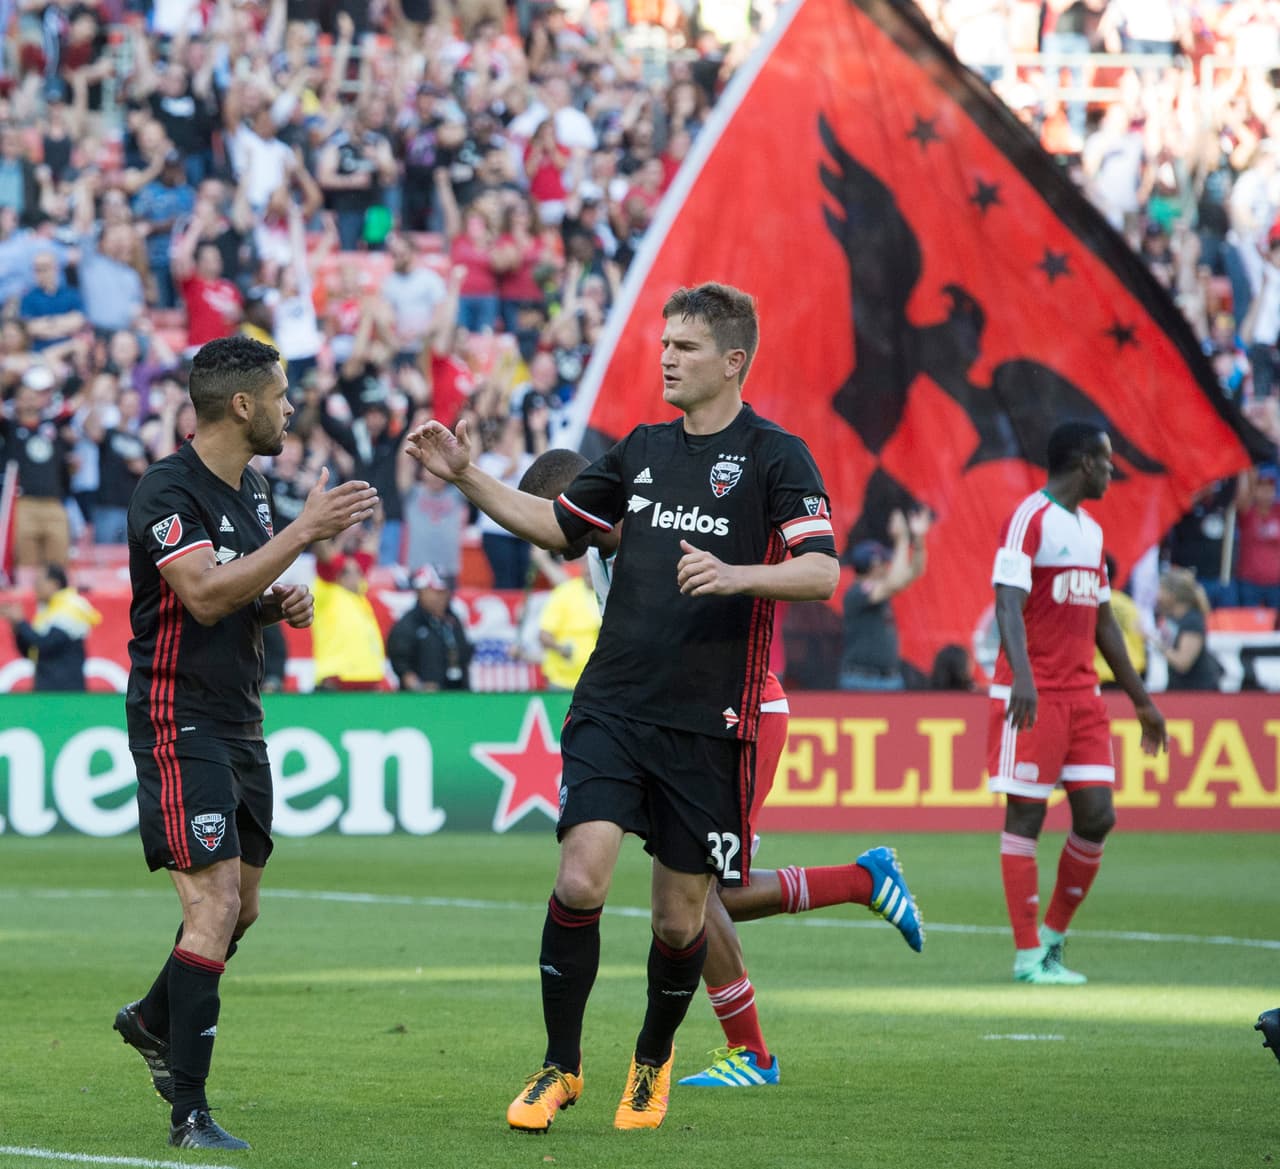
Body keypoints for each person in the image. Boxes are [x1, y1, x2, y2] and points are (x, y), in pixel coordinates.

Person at [409, 282, 865, 1133]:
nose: (666, 357)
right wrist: (468, 475)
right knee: (579, 874)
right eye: (664, 344)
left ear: (732, 361)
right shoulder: (642, 450)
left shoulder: (776, 456)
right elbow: (556, 524)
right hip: (613, 703)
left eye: (685, 347)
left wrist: (738, 575)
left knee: (679, 913)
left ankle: (651, 1060)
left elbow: (822, 570)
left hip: (709, 720)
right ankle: (559, 1065)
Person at [517, 448, 924, 1091]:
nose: (557, 545)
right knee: (692, 892)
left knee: (699, 892)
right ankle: (855, 893)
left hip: (740, 714)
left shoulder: (673, 529)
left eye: (563, 524)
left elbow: (780, 582)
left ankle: (765, 1037)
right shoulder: (601, 552)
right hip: (669, 724)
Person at [112, 335, 377, 1151]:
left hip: (240, 718)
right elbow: (197, 593)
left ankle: (156, 1017)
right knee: (214, 902)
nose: (290, 407)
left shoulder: (253, 488)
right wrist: (299, 536)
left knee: (243, 907)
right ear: (241, 404)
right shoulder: (167, 488)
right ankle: (188, 1111)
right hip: (175, 715)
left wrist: (274, 603)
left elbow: (235, 589)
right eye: (282, 394)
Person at [989, 420, 1167, 986]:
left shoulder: (1090, 532)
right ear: (1085, 463)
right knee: (1027, 815)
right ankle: (1026, 956)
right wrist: (1021, 676)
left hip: (1083, 696)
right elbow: (1007, 603)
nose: (1113, 472)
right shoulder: (1029, 519)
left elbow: (1102, 622)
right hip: (1032, 694)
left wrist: (1141, 701)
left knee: (1098, 815)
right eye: (1109, 462)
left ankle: (1052, 940)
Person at [838, 507, 930, 690]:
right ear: (874, 565)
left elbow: (914, 572)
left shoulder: (879, 590)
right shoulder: (857, 593)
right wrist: (902, 539)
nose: (888, 567)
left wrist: (918, 540)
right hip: (862, 680)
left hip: (888, 679)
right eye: (884, 563)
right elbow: (895, 581)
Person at [1, 564, 100, 691]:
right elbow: (32, 652)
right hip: (46, 687)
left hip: (66, 690)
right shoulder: (48, 610)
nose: (35, 586)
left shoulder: (72, 606)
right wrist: (17, 628)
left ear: (55, 584)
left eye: (39, 581)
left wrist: (21, 622)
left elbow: (45, 644)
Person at [386, 565, 473, 691]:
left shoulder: (453, 621)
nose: (442, 597)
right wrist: (419, 687)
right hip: (422, 701)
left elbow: (464, 654)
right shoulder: (408, 625)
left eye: (444, 592)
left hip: (456, 693)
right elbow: (401, 666)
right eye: (436, 592)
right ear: (421, 592)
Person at [1153, 567, 1223, 691]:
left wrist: (1154, 642)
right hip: (1178, 688)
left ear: (1172, 594)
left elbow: (1183, 662)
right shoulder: (1171, 617)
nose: (1157, 595)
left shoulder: (1192, 620)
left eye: (1161, 590)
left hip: (1198, 691)